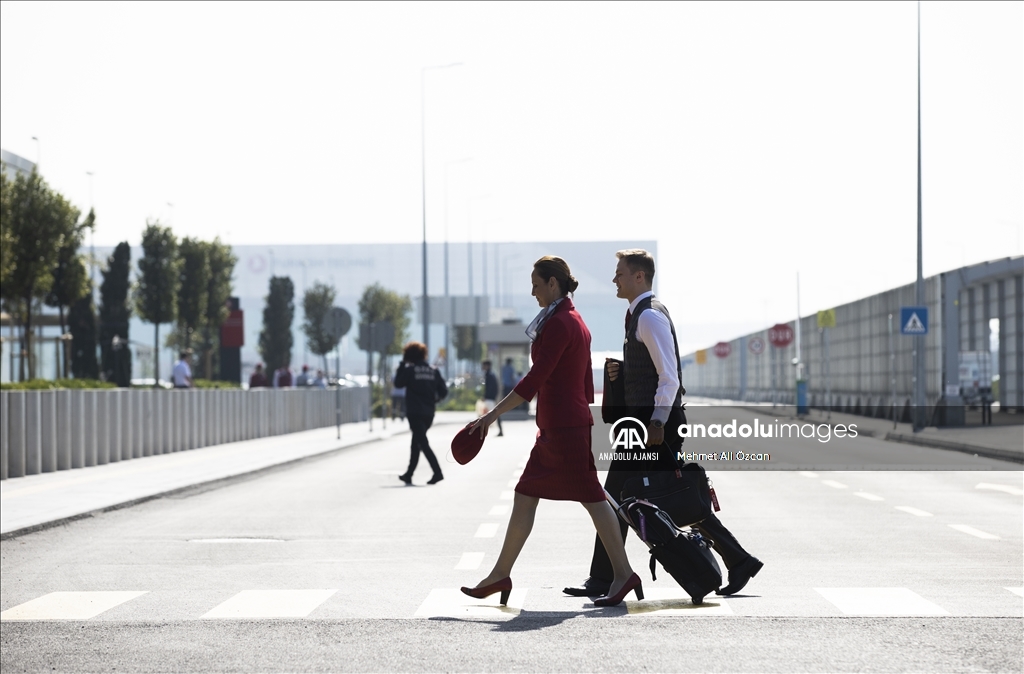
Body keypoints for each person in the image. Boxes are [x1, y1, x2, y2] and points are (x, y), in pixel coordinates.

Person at [564, 249, 763, 599]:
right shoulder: (638, 314)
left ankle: (606, 575)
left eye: (620, 273)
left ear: (639, 276)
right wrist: (624, 373)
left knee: (641, 495)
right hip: (643, 424)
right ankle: (737, 559)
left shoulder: (649, 316)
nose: (615, 279)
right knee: (644, 494)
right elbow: (652, 370)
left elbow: (668, 376)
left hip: (654, 425)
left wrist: (657, 421)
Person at [464, 256, 642, 608]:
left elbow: (535, 379)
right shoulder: (571, 320)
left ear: (552, 283)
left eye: (535, 283)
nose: (532, 291)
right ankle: (501, 573)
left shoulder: (562, 323)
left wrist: (491, 416)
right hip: (559, 427)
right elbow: (581, 384)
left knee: (592, 498)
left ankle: (623, 573)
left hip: (565, 428)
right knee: (527, 494)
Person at [394, 341, 448, 486]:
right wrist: (434, 400)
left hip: (414, 412)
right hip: (429, 413)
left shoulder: (410, 370)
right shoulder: (433, 370)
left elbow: (398, 383)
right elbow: (444, 391)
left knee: (422, 443)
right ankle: (409, 474)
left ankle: (437, 472)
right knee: (416, 443)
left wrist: (401, 365)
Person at [480, 360, 503, 436]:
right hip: (491, 398)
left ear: (487, 366)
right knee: (492, 414)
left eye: (483, 365)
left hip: (490, 398)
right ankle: (499, 430)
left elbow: (490, 388)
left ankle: (499, 430)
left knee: (492, 414)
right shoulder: (490, 374)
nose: (482, 367)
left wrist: (486, 396)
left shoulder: (489, 375)